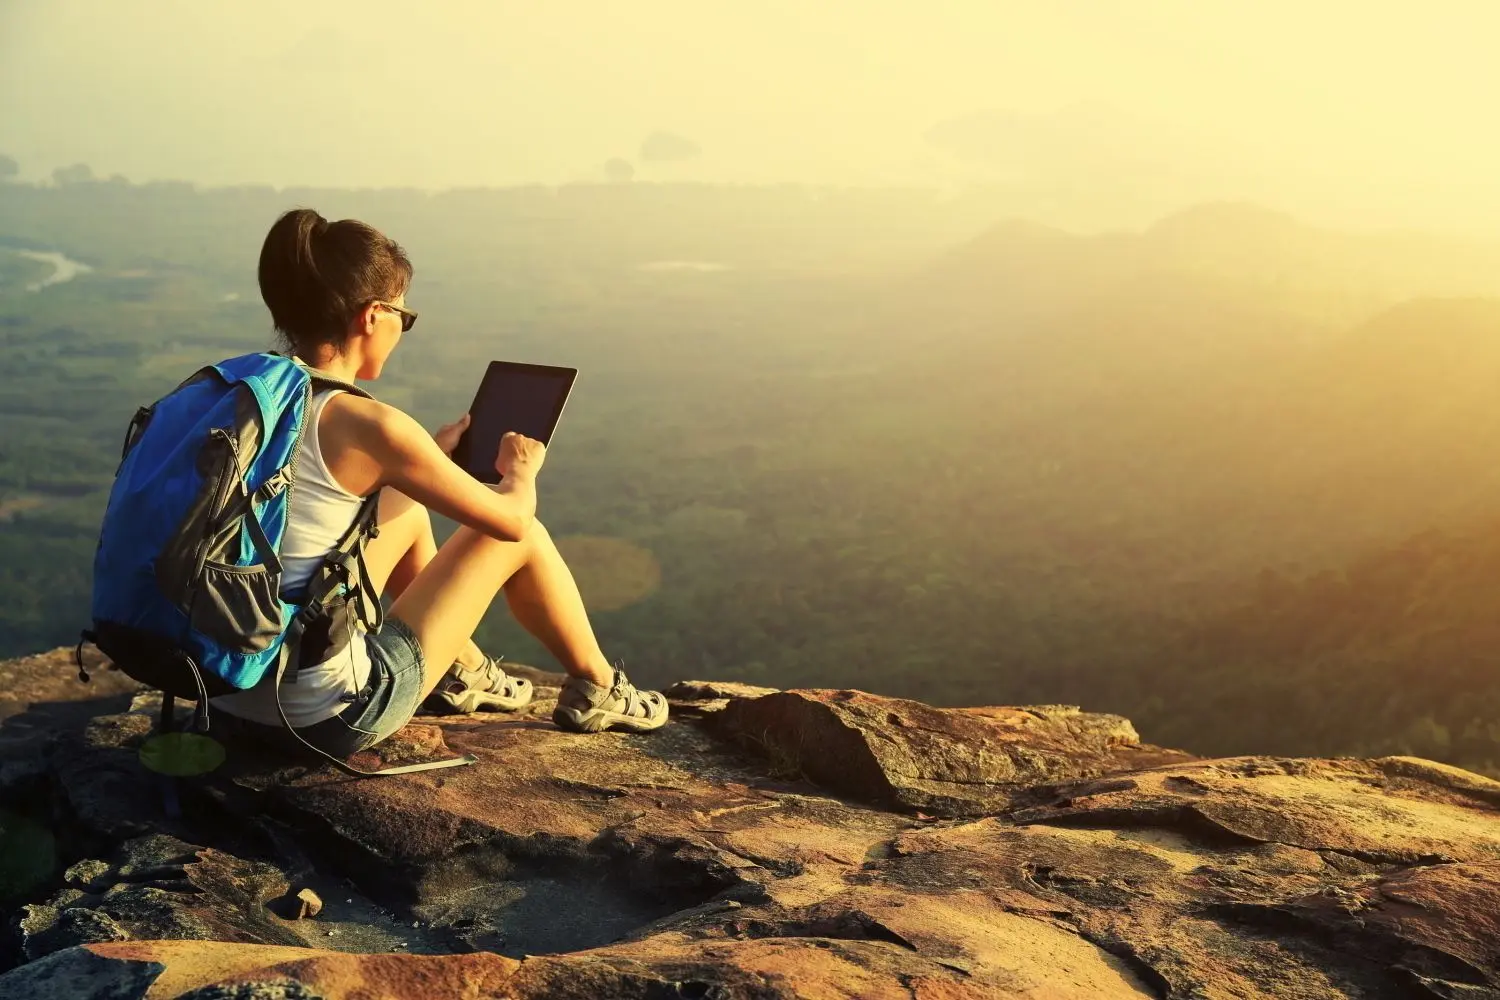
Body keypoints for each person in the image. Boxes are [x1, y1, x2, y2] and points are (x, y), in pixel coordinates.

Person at [209, 208, 668, 759]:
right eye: (405, 314)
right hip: (320, 718)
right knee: (519, 537)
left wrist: (424, 458)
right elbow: (512, 521)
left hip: (224, 691)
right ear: (373, 315)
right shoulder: (369, 423)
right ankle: (599, 686)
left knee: (407, 509)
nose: (403, 326)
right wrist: (520, 472)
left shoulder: (244, 397)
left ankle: (465, 670)